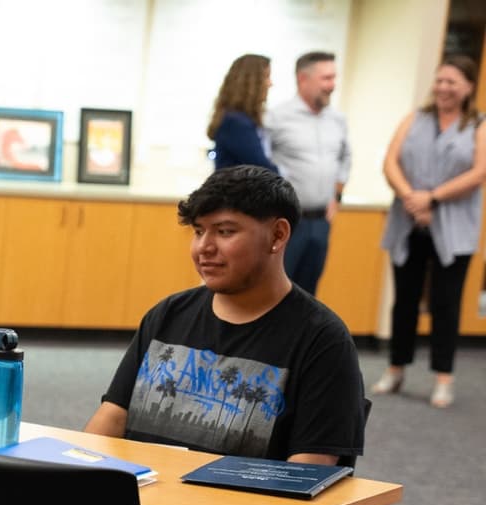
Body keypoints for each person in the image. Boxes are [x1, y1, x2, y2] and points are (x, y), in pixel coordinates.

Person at [84, 165, 365, 505]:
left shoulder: (321, 339)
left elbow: (305, 473)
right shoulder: (168, 315)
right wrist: (80, 493)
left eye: (226, 231)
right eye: (198, 231)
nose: (204, 248)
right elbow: (108, 424)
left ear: (278, 235)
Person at [373, 55, 486, 409]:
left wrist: (432, 198)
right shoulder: (415, 118)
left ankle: (443, 378)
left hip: (454, 227)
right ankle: (395, 368)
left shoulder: (479, 124)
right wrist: (410, 195)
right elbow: (390, 161)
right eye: (439, 80)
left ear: (468, 87)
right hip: (408, 220)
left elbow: (480, 172)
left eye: (452, 82)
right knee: (403, 300)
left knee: (445, 303)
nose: (443, 88)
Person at [266, 51, 352, 296]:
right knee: (277, 291)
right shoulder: (277, 117)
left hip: (320, 221)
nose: (332, 86)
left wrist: (337, 197)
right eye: (326, 78)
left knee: (307, 295)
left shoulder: (337, 119)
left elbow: (345, 158)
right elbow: (262, 164)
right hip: (287, 221)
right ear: (303, 79)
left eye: (334, 78)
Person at [208, 54, 277, 172]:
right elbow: (261, 168)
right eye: (266, 77)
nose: (270, 84)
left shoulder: (240, 119)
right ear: (251, 83)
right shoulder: (236, 123)